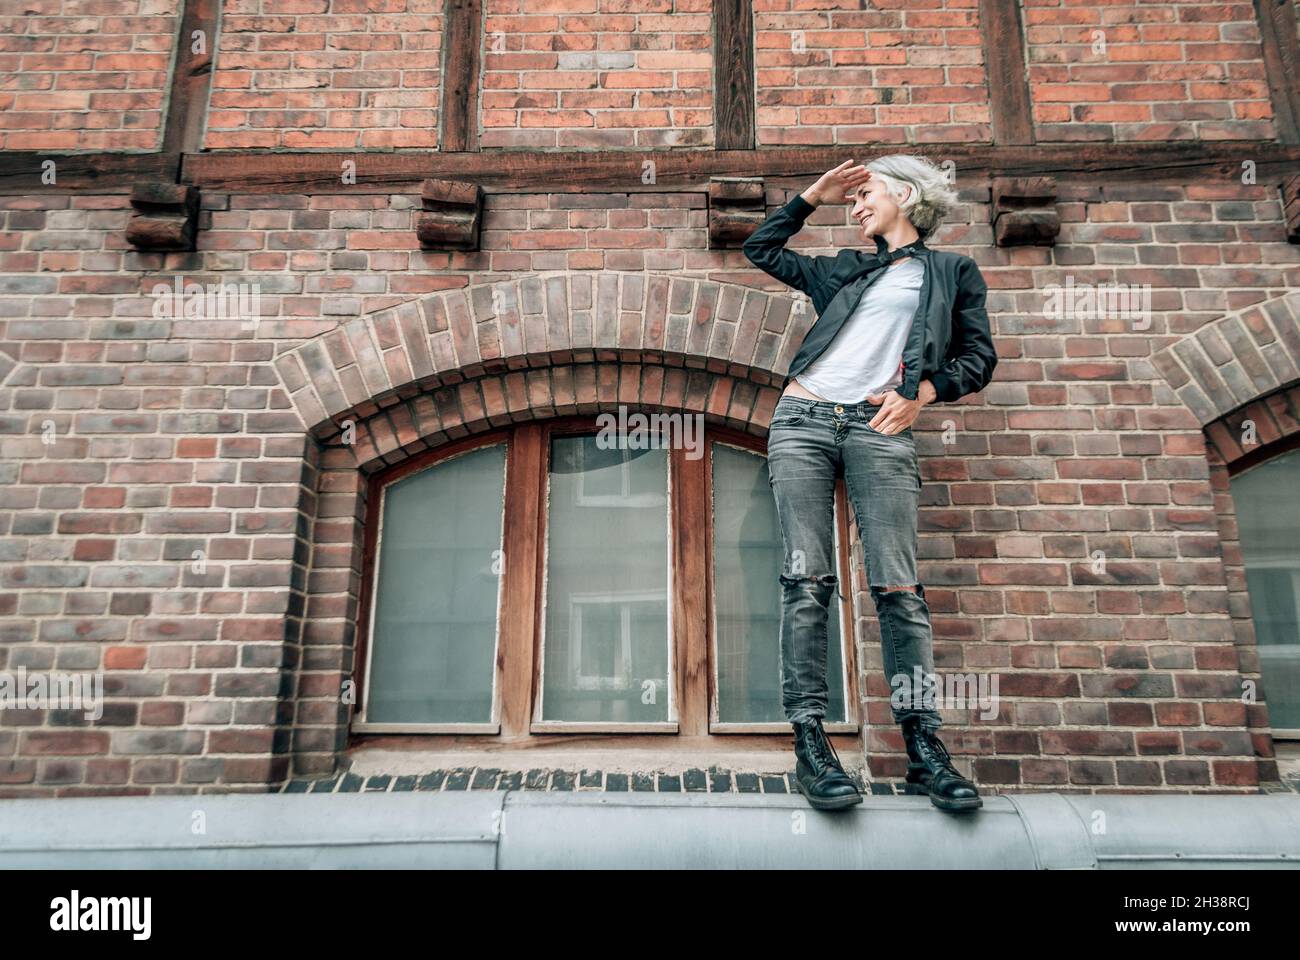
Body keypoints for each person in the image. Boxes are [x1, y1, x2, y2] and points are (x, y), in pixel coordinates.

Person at [742, 155, 998, 812]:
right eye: (850, 201)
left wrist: (926, 394)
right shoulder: (844, 271)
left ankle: (923, 749)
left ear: (906, 195)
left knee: (900, 589)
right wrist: (812, 197)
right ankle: (811, 740)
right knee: (807, 579)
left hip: (879, 426)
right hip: (802, 418)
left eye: (866, 194)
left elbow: (978, 356)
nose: (856, 207)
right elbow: (761, 247)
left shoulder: (950, 273)